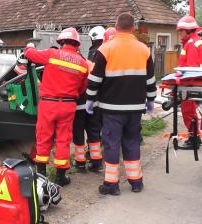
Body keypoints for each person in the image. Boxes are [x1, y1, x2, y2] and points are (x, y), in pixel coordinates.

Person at [86, 13, 157, 195]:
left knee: (111, 144)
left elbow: (95, 79)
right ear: (133, 28)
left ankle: (112, 185)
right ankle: (136, 182)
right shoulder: (144, 50)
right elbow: (150, 80)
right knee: (132, 142)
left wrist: (90, 99)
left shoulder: (105, 49)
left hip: (111, 109)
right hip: (135, 109)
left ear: (116, 28)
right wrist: (150, 101)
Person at [24, 28, 89, 187]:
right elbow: (82, 88)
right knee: (63, 140)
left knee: (43, 138)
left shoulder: (52, 54)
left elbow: (30, 55)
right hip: (68, 105)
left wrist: (30, 46)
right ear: (77, 44)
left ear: (61, 42)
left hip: (48, 104)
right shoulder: (83, 63)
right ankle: (60, 177)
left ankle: (41, 176)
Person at [73, 26, 105, 172]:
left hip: (79, 105)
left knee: (79, 133)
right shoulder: (92, 59)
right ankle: (96, 162)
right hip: (95, 102)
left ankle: (80, 163)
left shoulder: (91, 55)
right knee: (94, 132)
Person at [176, 15, 202, 149]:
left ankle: (194, 140)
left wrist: (179, 81)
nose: (179, 33)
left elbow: (191, 70)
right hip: (192, 83)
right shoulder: (194, 42)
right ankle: (195, 137)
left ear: (188, 30)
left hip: (190, 84)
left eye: (181, 30)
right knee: (191, 112)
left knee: (188, 112)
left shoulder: (191, 44)